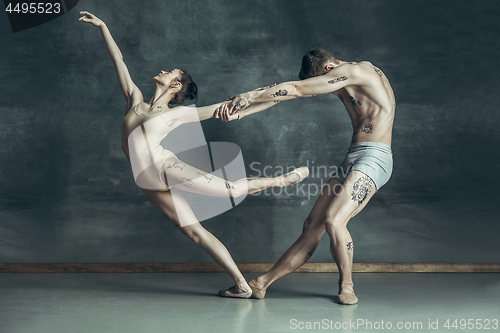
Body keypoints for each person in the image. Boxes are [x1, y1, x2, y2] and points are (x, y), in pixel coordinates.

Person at [78, 11, 309, 299]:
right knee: (195, 232)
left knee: (230, 190)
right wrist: (102, 26)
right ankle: (241, 285)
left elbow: (225, 108)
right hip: (146, 181)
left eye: (170, 72)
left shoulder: (176, 114)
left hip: (165, 167)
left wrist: (273, 96)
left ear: (175, 86)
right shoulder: (134, 100)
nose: (163, 71)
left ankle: (280, 181)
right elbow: (118, 61)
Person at [214, 49, 395, 304]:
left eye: (323, 80)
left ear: (330, 68)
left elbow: (297, 90)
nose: (328, 89)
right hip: (352, 157)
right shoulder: (344, 80)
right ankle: (261, 284)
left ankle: (347, 286)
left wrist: (248, 96)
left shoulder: (356, 71)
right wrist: (243, 111)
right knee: (313, 225)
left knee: (334, 220)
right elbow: (290, 92)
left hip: (374, 158)